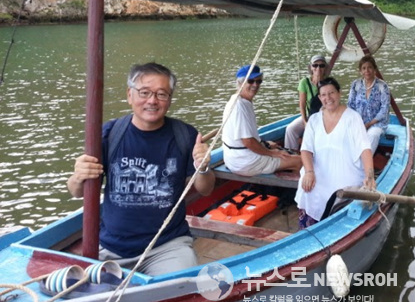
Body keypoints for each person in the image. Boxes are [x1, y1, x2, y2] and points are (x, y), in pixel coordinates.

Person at [67, 62, 215, 276]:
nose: (152, 101)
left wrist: (203, 168)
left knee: (182, 285)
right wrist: (78, 176)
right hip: (111, 248)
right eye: (144, 92)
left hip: (167, 247)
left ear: (170, 99)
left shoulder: (185, 135)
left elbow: (206, 189)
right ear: (130, 95)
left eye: (162, 94)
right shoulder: (109, 134)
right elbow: (77, 191)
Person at [295, 77, 376, 228]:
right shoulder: (314, 120)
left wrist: (369, 176)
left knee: (341, 192)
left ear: (339, 93)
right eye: (324, 95)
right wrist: (309, 171)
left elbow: (365, 148)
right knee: (307, 186)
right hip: (318, 171)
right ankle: (310, 230)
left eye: (331, 93)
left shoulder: (353, 118)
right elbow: (305, 149)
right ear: (319, 98)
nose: (328, 98)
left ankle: (335, 227)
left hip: (345, 173)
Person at [222, 64, 302, 176]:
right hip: (245, 162)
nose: (255, 85)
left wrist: (265, 145)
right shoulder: (239, 107)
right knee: (301, 161)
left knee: (273, 144)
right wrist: (271, 153)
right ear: (240, 83)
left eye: (258, 81)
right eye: (250, 81)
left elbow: (248, 140)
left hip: (237, 157)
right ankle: (294, 181)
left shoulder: (240, 100)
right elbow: (248, 141)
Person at [284, 55, 329, 151]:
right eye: (315, 65)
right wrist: (305, 121)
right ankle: (291, 152)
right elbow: (302, 104)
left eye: (321, 66)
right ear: (311, 68)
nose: (318, 68)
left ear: (325, 68)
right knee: (290, 129)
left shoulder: (329, 83)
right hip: (310, 115)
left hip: (325, 116)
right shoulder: (304, 82)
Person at [347, 55, 390, 155]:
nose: (367, 71)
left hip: (376, 123)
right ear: (360, 71)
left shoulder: (382, 86)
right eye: (364, 68)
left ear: (375, 69)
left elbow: (384, 109)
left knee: (373, 134)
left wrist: (369, 124)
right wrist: (358, 123)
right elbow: (350, 105)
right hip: (359, 122)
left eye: (370, 67)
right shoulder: (356, 84)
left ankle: (364, 164)